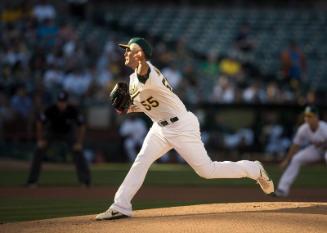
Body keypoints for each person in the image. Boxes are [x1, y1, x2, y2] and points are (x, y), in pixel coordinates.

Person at [95, 37, 274, 220]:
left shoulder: (147, 72)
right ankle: (121, 206)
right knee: (141, 161)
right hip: (160, 128)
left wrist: (141, 60)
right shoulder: (133, 79)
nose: (125, 53)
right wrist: (127, 108)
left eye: (129, 50)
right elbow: (149, 104)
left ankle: (254, 169)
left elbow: (144, 70)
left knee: (207, 171)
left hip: (182, 126)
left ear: (139, 54)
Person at [26, 90, 91, 187]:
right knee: (38, 150)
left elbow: (82, 126)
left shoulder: (72, 110)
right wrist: (40, 140)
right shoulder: (50, 109)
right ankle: (32, 181)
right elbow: (39, 122)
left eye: (63, 102)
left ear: (67, 102)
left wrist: (79, 143)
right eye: (60, 101)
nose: (62, 104)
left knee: (78, 151)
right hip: (52, 132)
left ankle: (85, 181)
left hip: (67, 133)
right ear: (57, 101)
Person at [274, 106, 327, 197]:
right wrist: (287, 160)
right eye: (306, 116)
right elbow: (295, 146)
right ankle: (282, 189)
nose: (307, 118)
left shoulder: (324, 128)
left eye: (310, 116)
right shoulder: (303, 129)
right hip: (317, 150)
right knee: (296, 158)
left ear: (316, 117)